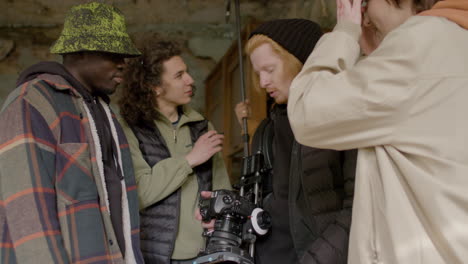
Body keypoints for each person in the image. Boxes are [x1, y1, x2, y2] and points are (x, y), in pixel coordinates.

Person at [287, 0, 468, 263]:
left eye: (364, 3)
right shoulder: (454, 41)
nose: (364, 17)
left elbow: (307, 111)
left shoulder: (418, 43)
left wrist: (344, 32)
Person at [0, 2, 145, 263]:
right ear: (80, 53)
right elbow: (27, 209)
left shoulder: (104, 112)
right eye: (114, 54)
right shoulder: (32, 102)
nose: (124, 64)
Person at [235, 19, 357, 264]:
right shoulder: (271, 127)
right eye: (258, 73)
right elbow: (272, 201)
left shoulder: (342, 116)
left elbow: (357, 209)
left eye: (269, 70)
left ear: (299, 62)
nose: (262, 83)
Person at [118, 35, 232, 264]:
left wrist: (218, 216)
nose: (191, 80)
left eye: (187, 71)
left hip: (207, 255)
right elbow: (138, 193)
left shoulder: (202, 127)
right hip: (155, 256)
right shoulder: (130, 128)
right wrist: (189, 160)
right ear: (154, 87)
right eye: (179, 75)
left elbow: (223, 189)